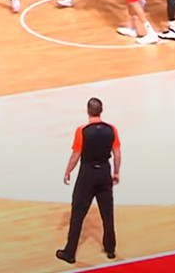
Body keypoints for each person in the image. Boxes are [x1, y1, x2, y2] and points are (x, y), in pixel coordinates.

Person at [56, 97, 121, 265]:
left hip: (87, 174)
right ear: (101, 111)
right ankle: (110, 249)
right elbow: (117, 153)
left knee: (78, 213)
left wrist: (68, 171)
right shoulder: (111, 129)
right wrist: (116, 172)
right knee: (107, 213)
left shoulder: (82, 131)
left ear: (88, 111)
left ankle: (70, 252)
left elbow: (76, 154)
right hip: (104, 172)